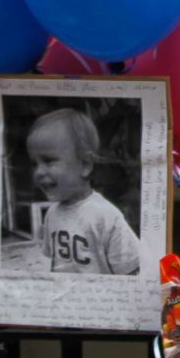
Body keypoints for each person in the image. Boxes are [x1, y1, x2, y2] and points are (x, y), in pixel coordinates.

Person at [27, 108, 140, 275]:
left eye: (48, 161)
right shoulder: (52, 214)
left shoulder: (106, 216)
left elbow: (130, 271)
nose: (38, 172)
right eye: (34, 164)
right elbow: (54, 264)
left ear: (85, 165)